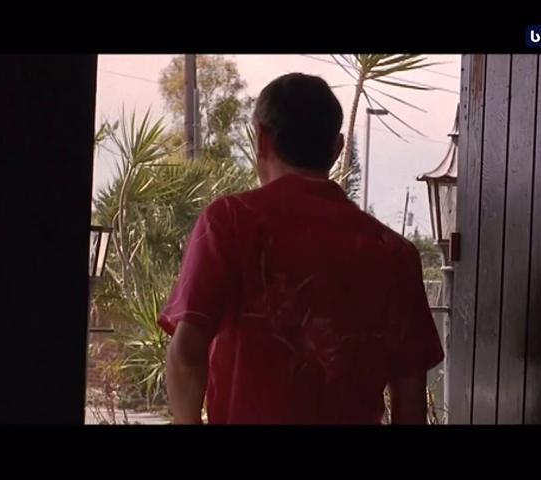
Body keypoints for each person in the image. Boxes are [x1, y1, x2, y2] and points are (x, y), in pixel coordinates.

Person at [160, 73, 443, 424]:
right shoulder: (394, 253)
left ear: (261, 139)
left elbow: (187, 355)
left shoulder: (230, 222)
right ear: (337, 149)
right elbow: (410, 399)